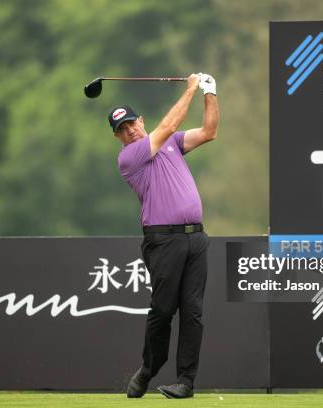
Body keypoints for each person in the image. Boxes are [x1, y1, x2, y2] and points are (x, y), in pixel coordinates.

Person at [108, 73, 218, 399]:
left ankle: (185, 381)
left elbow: (210, 132)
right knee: (163, 310)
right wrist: (190, 89)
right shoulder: (130, 157)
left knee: (193, 312)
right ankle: (149, 369)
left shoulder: (170, 143)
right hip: (163, 240)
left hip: (195, 238)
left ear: (140, 120)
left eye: (131, 123)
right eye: (122, 130)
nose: (129, 131)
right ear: (118, 138)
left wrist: (210, 92)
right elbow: (168, 126)